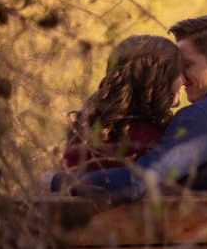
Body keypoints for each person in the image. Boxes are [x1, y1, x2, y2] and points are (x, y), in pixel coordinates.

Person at [53, 15, 207, 203]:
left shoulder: (200, 118)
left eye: (186, 66)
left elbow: (140, 183)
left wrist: (58, 183)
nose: (182, 78)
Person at [62, 35, 183, 172]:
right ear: (157, 80)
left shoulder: (85, 127)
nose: (183, 80)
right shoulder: (152, 141)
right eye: (178, 73)